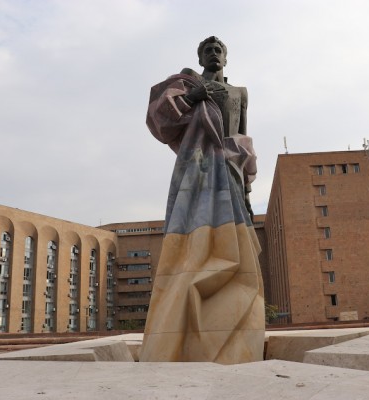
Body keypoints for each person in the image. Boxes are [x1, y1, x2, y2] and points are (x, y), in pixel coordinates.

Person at [140, 36, 264, 364]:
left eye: (218, 50)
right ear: (200, 58)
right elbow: (160, 118)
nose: (213, 54)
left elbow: (242, 138)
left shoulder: (240, 93)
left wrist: (247, 193)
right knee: (193, 242)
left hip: (230, 170)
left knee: (235, 245)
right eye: (207, 50)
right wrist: (194, 97)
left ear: (226, 57)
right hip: (196, 168)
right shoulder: (188, 86)